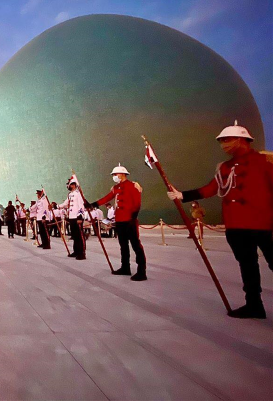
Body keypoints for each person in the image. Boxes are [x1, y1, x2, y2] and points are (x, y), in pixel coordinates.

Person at [168, 121, 273, 318]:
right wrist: (182, 195)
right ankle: (254, 305)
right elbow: (211, 189)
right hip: (236, 225)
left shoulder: (265, 162)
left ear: (242, 140)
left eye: (227, 140)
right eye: (222, 141)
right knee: (247, 266)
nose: (224, 145)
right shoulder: (225, 167)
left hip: (263, 223)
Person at [88, 164, 147, 281]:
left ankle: (142, 271)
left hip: (130, 220)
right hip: (120, 220)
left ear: (123, 174)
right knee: (123, 245)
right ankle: (125, 267)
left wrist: (133, 217)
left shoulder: (133, 185)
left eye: (115, 174)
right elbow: (107, 198)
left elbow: (137, 202)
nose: (114, 176)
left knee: (136, 245)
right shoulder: (115, 188)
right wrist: (93, 204)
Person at [59, 177, 86, 259]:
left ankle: (82, 253)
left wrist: (80, 216)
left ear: (74, 185)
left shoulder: (78, 194)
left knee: (79, 236)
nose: (68, 186)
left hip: (77, 217)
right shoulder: (70, 194)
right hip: (71, 217)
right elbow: (65, 203)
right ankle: (76, 251)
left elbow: (81, 205)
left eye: (69, 185)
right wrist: (57, 206)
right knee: (74, 235)